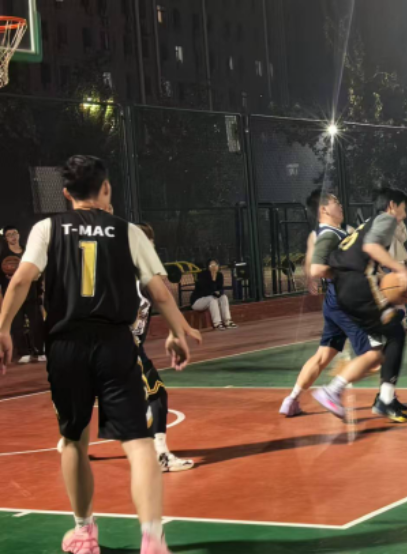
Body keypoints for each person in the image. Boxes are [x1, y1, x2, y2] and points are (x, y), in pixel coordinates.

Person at [0, 155, 196, 554]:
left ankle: (84, 533)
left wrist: (2, 329)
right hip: (115, 343)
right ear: (106, 189)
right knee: (138, 442)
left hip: (66, 345)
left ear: (66, 193)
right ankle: (153, 539)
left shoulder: (47, 229)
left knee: (74, 440)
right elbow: (159, 291)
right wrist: (179, 331)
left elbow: (21, 281)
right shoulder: (128, 232)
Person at [313, 187, 407, 423]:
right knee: (396, 333)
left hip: (344, 289)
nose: (404, 215)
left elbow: (357, 257)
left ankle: (378, 396)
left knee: (377, 351)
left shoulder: (365, 225)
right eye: (403, 209)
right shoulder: (386, 220)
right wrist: (401, 270)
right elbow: (371, 247)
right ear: (392, 206)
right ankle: (374, 398)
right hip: (358, 288)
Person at [280, 189, 384, 418]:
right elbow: (317, 269)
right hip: (346, 302)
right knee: (374, 356)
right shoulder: (329, 235)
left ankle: (291, 400)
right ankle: (332, 392)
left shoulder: (334, 232)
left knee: (322, 356)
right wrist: (343, 275)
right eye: (335, 201)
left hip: (335, 302)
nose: (340, 204)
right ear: (324, 209)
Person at [134, 224, 196, 473]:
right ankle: (160, 455)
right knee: (156, 394)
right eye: (149, 241)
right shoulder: (143, 272)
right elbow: (163, 298)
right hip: (123, 347)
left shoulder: (111, 268)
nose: (152, 246)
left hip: (95, 346)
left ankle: (73, 443)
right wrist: (179, 331)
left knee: (90, 395)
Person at [0, 226, 46, 363]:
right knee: (17, 325)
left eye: (14, 233)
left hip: (31, 293)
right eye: (9, 235)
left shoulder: (28, 252)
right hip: (13, 295)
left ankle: (40, 351)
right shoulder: (2, 256)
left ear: (19, 235)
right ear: (6, 238)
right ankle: (24, 352)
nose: (13, 237)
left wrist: (38, 287)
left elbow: (39, 271)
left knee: (37, 323)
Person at [191, 259, 238, 331]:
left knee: (223, 297)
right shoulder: (203, 275)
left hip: (212, 298)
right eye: (211, 265)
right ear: (208, 267)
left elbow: (220, 288)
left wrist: (219, 293)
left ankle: (227, 321)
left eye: (215, 265)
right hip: (198, 301)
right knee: (212, 299)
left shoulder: (219, 275)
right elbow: (206, 291)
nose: (213, 267)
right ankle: (217, 323)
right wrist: (213, 279)